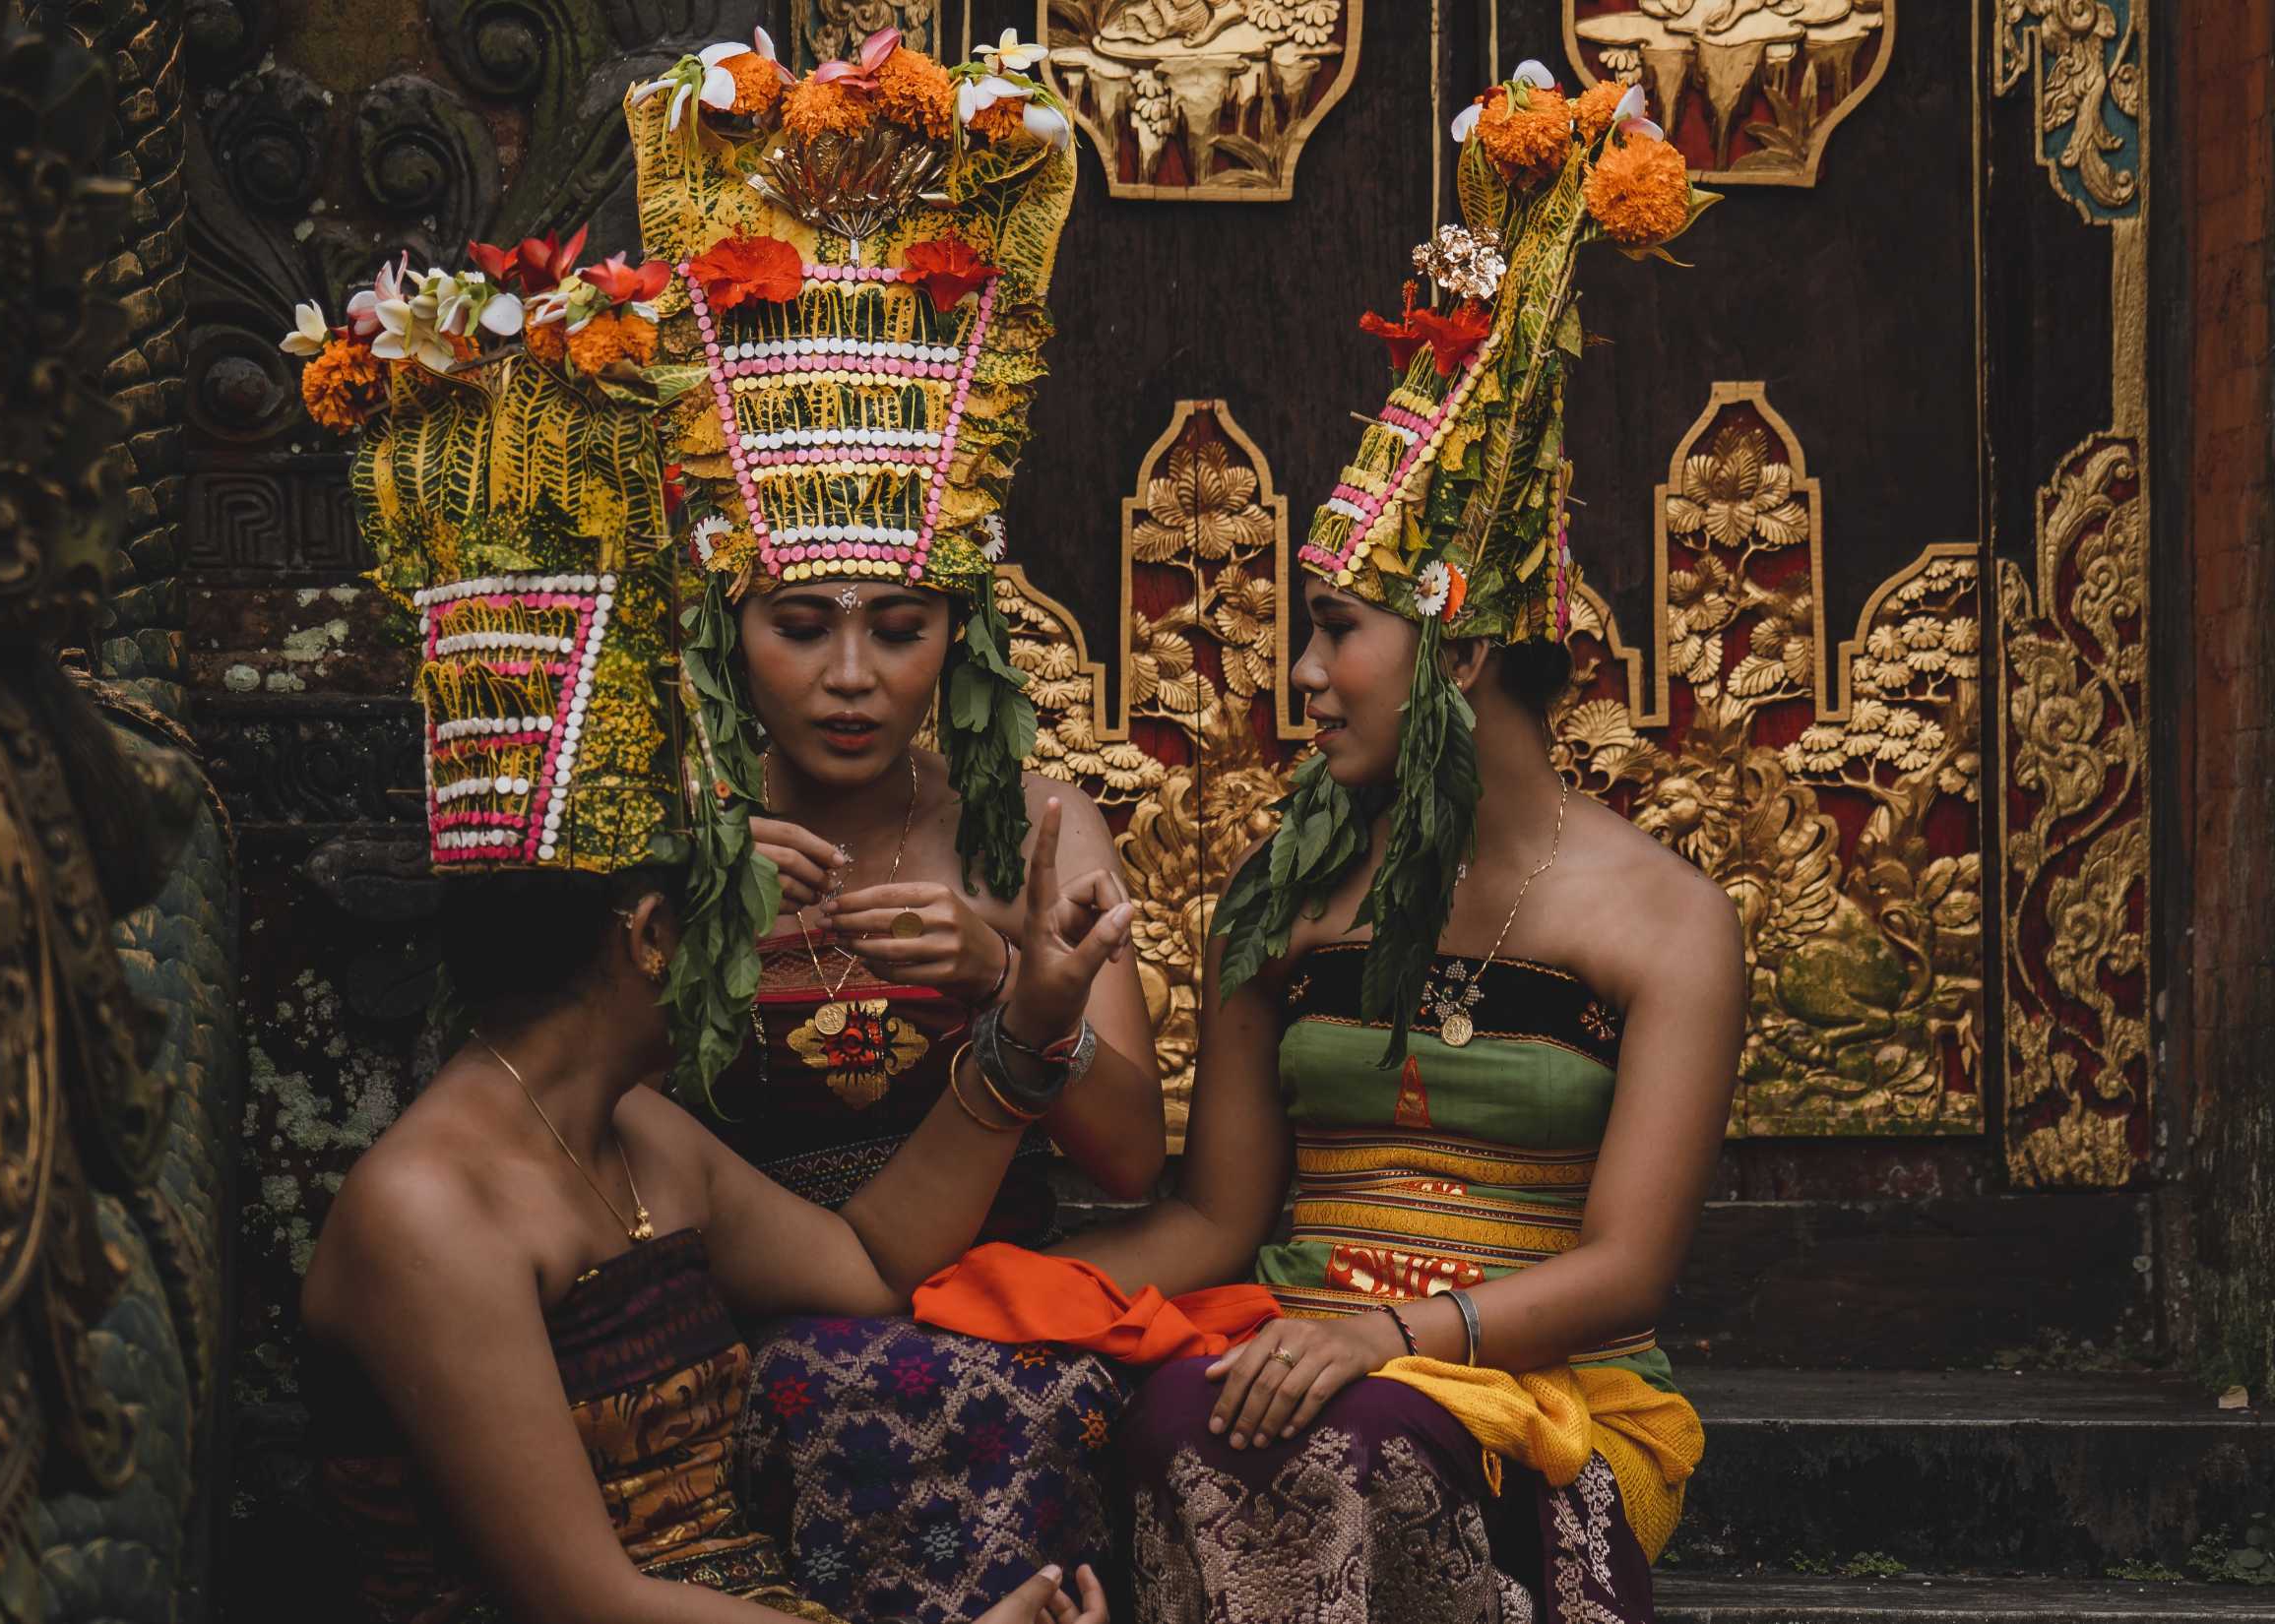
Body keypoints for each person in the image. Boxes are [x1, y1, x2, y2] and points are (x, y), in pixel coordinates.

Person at [291, 277, 1121, 1624]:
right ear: (653, 932)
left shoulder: (631, 1136)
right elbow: (582, 1598)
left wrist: (1022, 1027)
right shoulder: (429, 1213)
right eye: (735, 890)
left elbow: (866, 1266)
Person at [1060, 66, 1742, 1622]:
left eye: (1335, 632)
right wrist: (1023, 1296)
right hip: (1294, 1337)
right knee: (1174, 1412)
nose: (1298, 675)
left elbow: (1631, 1267)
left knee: (1349, 1439)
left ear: (1464, 646)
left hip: (1530, 1378)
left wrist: (1397, 1336)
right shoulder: (1281, 898)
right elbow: (1220, 1219)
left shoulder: (1662, 919)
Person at [623, 31, 1164, 1623]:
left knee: (970, 1388)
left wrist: (1013, 979)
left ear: (962, 634)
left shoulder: (1034, 823)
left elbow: (1132, 1155)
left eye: (900, 625)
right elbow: (589, 1140)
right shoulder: (672, 831)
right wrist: (701, 931)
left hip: (991, 1315)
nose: (854, 677)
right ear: (734, 623)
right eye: (802, 623)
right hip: (742, 1307)